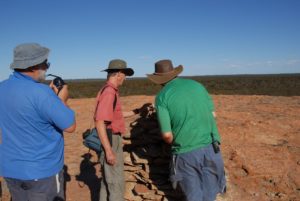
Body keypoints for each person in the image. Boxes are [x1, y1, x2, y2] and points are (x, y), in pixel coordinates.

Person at [0, 43, 76, 201]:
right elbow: (70, 126)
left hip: (10, 169)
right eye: (46, 64)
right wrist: (61, 99)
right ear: (35, 66)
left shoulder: (2, 88)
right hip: (42, 173)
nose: (47, 68)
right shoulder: (42, 93)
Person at [146, 60, 226, 201]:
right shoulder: (197, 85)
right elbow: (213, 114)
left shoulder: (162, 97)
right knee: (210, 193)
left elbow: (167, 135)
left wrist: (173, 142)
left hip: (186, 153)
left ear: (159, 79)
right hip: (211, 147)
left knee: (193, 195)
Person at [95, 59, 143, 201]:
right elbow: (100, 122)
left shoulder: (107, 90)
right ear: (119, 74)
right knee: (116, 182)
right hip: (110, 139)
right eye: (125, 75)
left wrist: (137, 111)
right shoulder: (109, 92)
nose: (125, 79)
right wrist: (109, 151)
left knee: (107, 181)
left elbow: (114, 115)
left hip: (110, 138)